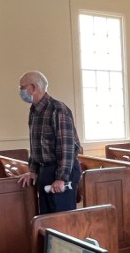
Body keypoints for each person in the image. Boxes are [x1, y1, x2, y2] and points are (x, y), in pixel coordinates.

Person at [16, 71, 82, 214]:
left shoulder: (57, 109)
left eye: (22, 87)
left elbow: (67, 148)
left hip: (61, 170)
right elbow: (35, 146)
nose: (20, 91)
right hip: (44, 170)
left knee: (61, 218)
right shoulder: (34, 111)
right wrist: (32, 170)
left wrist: (61, 178)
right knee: (47, 218)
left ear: (33, 88)